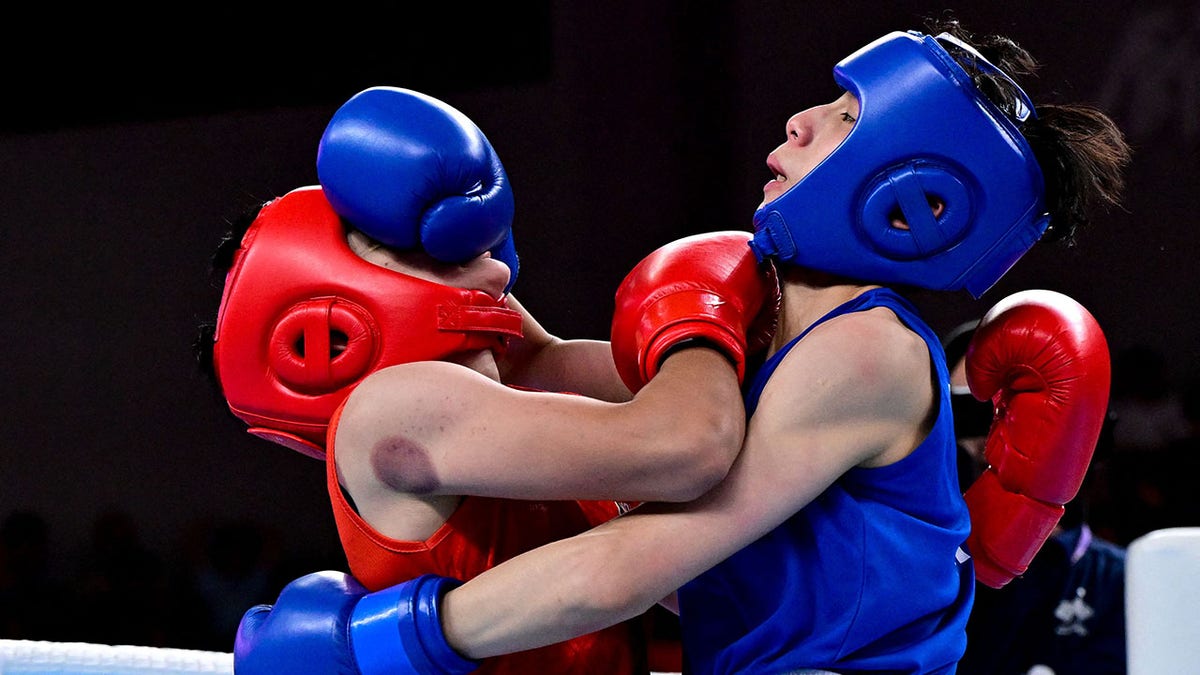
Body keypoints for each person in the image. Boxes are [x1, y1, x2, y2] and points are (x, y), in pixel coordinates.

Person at [235, 17, 1131, 674]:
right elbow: (547, 371)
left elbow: (645, 541)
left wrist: (379, 643)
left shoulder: (868, 353)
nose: (799, 122)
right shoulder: (772, 318)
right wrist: (474, 282)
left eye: (847, 117)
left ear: (915, 195)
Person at [197, 86, 778, 673]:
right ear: (325, 330)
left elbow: (569, 367)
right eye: (442, 257)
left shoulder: (500, 412)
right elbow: (685, 445)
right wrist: (693, 317)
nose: (497, 270)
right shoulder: (391, 409)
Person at [947, 320, 1127, 675]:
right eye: (977, 411)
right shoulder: (924, 570)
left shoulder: (1123, 580)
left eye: (1022, 403)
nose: (997, 431)